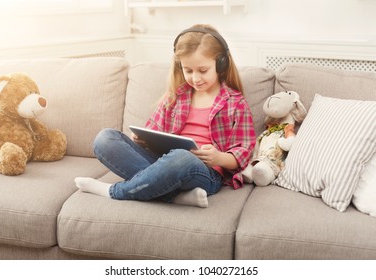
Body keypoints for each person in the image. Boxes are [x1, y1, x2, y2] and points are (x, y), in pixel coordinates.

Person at [75, 24, 256, 208]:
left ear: (221, 65)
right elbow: (154, 131)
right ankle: (175, 196)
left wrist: (218, 158)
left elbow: (243, 153)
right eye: (188, 70)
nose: (195, 78)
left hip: (204, 172)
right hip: (163, 162)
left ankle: (114, 191)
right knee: (105, 139)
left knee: (182, 157)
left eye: (203, 70)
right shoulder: (176, 96)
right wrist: (142, 139)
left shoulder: (235, 103)